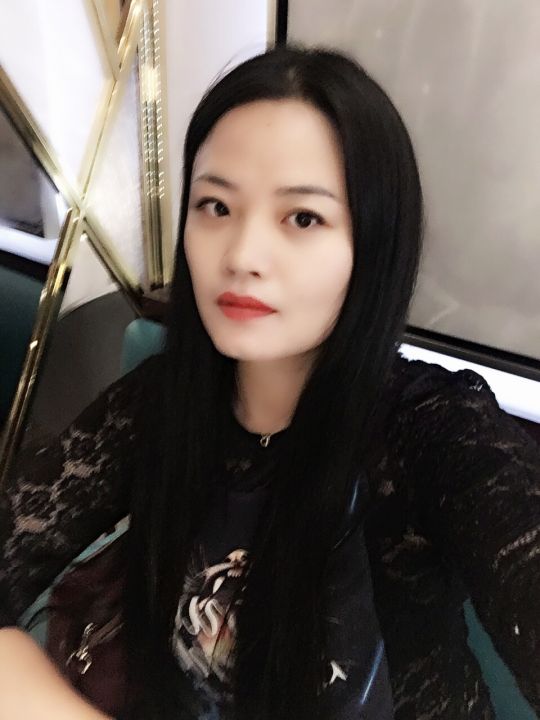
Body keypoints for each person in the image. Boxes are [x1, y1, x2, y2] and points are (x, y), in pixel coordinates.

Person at [0, 45, 539, 720]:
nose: (242, 255)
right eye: (215, 206)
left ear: (372, 245)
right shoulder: (160, 403)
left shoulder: (432, 430)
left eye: (303, 218)